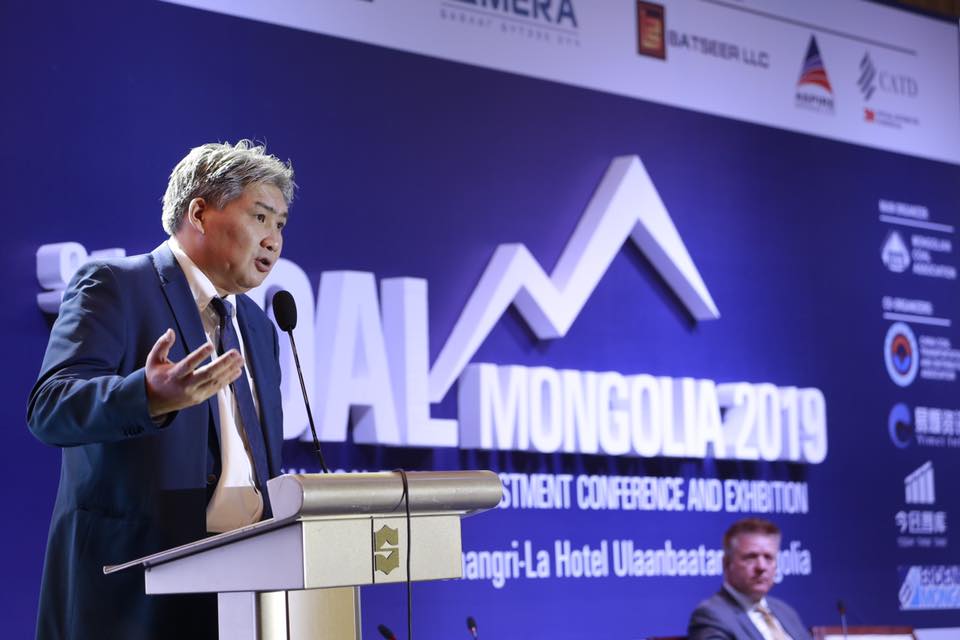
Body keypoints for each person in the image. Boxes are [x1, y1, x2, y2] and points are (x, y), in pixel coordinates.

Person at [27, 140, 295, 640]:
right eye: (260, 217)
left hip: (249, 586)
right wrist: (147, 397)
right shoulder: (114, 285)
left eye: (280, 224)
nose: (273, 240)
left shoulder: (259, 327)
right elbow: (51, 407)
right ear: (200, 213)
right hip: (136, 592)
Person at [688, 518, 811, 640]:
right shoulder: (710, 616)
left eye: (768, 557)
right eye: (751, 557)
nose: (761, 567)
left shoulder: (785, 611)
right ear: (726, 563)